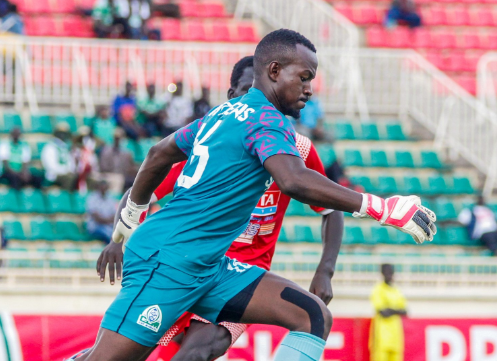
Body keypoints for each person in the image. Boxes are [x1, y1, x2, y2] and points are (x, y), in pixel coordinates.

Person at [74, 29, 436, 361]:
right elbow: (293, 180)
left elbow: (159, 153)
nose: (309, 89)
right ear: (275, 71)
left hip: (210, 266)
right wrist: (382, 208)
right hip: (167, 262)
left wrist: (127, 220)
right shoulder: (266, 120)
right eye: (304, 78)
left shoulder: (223, 114)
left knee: (311, 314)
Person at [101, 55, 345, 361]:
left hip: (239, 277)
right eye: (248, 91)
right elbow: (142, 188)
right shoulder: (212, 148)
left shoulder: (296, 150)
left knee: (197, 353)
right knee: (124, 354)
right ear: (232, 97)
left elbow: (330, 209)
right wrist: (118, 239)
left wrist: (325, 270)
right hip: (181, 264)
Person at [370, 264, 407, 361]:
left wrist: (390, 309)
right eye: (387, 272)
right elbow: (383, 312)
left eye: (391, 272)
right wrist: (396, 310)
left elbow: (405, 311)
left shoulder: (396, 290)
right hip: (381, 334)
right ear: (382, 274)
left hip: (396, 335)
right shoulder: (378, 289)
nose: (389, 275)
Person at [98, 129, 137, 194]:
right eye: (116, 138)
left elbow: (130, 167)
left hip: (122, 176)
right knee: (117, 180)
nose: (117, 140)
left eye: (119, 138)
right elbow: (103, 167)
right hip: (108, 175)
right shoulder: (106, 151)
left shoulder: (127, 153)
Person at [41, 122, 76, 191]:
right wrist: (65, 170)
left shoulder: (66, 148)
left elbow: (70, 162)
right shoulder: (50, 147)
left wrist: (70, 170)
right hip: (53, 175)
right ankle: (65, 198)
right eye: (60, 133)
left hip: (65, 173)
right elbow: (51, 166)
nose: (62, 135)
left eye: (65, 133)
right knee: (69, 178)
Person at [73, 126, 98, 193]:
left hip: (89, 175)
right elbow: (73, 167)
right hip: (77, 175)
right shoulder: (75, 151)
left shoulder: (91, 153)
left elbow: (95, 167)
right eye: (82, 138)